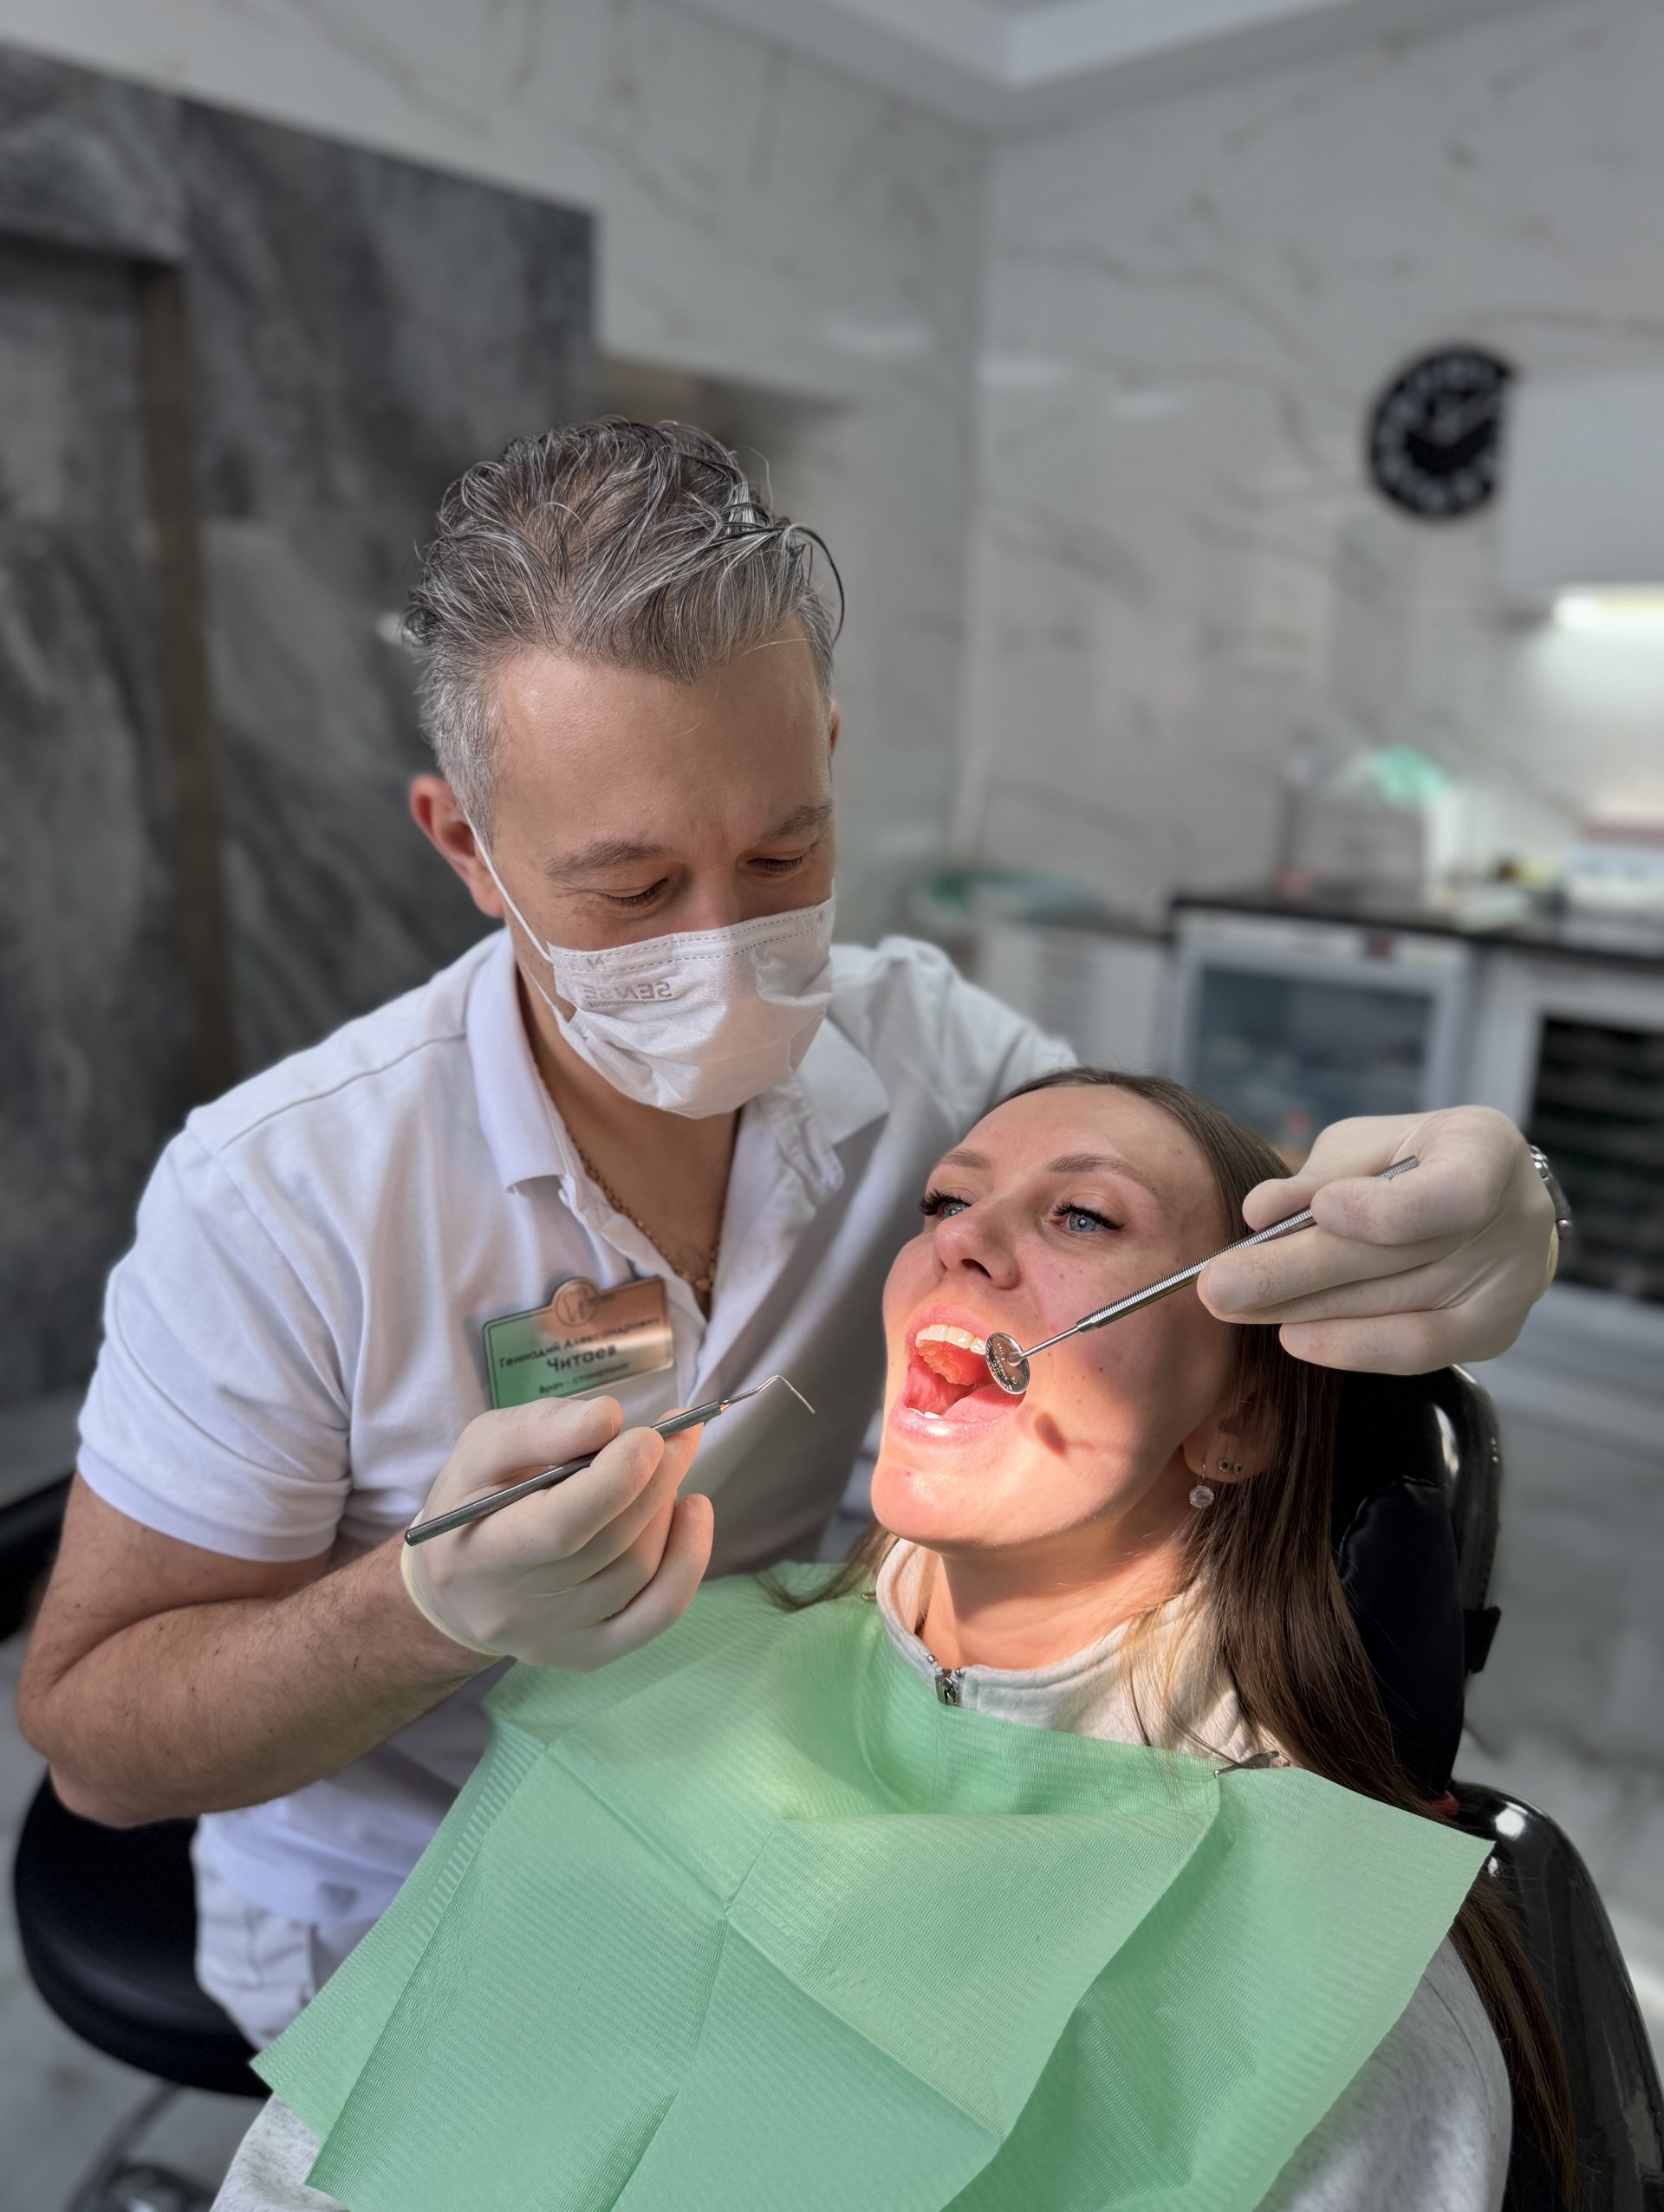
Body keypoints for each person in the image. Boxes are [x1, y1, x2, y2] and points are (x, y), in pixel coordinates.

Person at [17, 421, 1561, 2052]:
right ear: (467, 845)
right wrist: (424, 1613)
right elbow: (97, 1747)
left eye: (782, 852)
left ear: (825, 751)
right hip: (409, 1905)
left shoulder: (924, 1047)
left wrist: (1451, 1212)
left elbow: (1169, 1210)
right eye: (632, 890)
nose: (727, 946)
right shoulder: (279, 1196)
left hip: (761, 1825)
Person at [212, 1070, 1570, 2212]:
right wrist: (412, 1611)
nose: (961, 1243)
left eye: (1083, 1216)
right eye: (943, 1203)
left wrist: (1512, 1201)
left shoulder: (1325, 1979)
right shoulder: (668, 1679)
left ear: (1240, 1421)